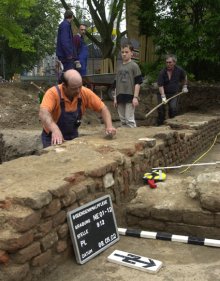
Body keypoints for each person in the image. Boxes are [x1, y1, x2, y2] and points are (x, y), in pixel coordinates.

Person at [39, 69, 116, 148]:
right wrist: (55, 129)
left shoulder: (84, 92)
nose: (78, 91)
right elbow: (43, 113)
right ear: (64, 86)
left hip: (73, 136)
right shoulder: (53, 93)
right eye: (74, 88)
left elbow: (103, 109)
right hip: (52, 137)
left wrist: (109, 126)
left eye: (80, 86)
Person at [112, 42, 143, 128]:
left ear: (131, 53)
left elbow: (138, 82)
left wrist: (135, 97)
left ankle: (133, 138)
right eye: (122, 52)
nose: (124, 54)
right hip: (119, 96)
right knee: (122, 120)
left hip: (130, 96)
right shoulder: (119, 66)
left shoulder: (134, 66)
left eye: (126, 52)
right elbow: (115, 84)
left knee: (129, 120)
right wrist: (115, 98)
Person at [157, 54, 188, 126]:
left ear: (174, 62)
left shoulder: (179, 70)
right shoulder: (162, 72)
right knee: (161, 110)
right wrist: (163, 96)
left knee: (173, 108)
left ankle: (172, 125)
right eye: (167, 62)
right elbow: (160, 85)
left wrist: (185, 86)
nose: (168, 64)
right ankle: (160, 125)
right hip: (162, 93)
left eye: (170, 62)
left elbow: (185, 77)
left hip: (174, 93)